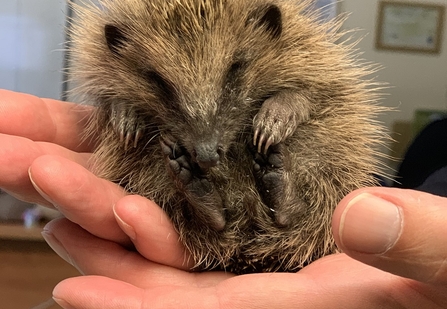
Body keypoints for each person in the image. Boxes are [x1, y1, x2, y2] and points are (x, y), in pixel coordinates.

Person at [0, 89, 446, 309]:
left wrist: (291, 101)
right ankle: (212, 207)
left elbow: (317, 96)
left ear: (270, 30)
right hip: (218, 221)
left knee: (314, 149)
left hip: (304, 225)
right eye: (163, 82)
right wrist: (121, 108)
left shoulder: (298, 63)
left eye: (232, 75)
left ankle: (248, 205)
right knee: (143, 161)